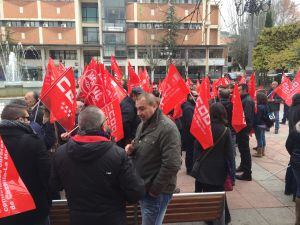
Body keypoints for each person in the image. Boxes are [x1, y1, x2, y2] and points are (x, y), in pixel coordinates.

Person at [50, 106, 145, 225]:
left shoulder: (61, 153)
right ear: (103, 126)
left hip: (79, 219)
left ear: (79, 126)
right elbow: (136, 192)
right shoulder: (118, 154)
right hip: (112, 218)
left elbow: (54, 185)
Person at [125, 93, 181, 225]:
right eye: (137, 109)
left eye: (142, 108)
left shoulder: (167, 128)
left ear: (154, 106)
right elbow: (140, 145)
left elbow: (172, 164)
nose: (138, 113)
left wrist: (154, 191)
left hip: (156, 192)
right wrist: (132, 149)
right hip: (144, 186)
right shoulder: (143, 124)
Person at [0, 103, 51, 225]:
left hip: (5, 208)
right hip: (34, 208)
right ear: (19, 119)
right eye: (27, 118)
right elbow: (46, 174)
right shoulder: (33, 141)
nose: (30, 121)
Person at [192, 103, 234, 225]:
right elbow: (230, 154)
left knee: (206, 195)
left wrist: (196, 164)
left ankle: (209, 218)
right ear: (223, 114)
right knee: (219, 195)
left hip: (203, 169)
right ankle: (224, 218)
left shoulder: (204, 129)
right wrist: (232, 174)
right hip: (219, 170)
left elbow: (196, 148)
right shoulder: (225, 130)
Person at [236, 84, 255, 181]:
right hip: (241, 129)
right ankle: (243, 166)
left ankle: (247, 173)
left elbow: (246, 117)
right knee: (242, 150)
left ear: (244, 90)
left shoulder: (247, 101)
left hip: (243, 129)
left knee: (245, 151)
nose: (237, 92)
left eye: (239, 90)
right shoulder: (244, 99)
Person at [286, 121, 300, 225]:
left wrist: (294, 155)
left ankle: (298, 220)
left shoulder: (295, 129)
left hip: (296, 161)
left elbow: (288, 145)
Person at [181, 92, 196, 175]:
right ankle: (190, 169)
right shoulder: (188, 108)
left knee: (191, 151)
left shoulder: (189, 106)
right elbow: (190, 123)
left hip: (189, 133)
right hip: (189, 134)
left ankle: (190, 167)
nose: (196, 98)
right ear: (190, 97)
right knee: (190, 151)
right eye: (195, 96)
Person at [252, 92, 268, 158]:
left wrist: (253, 123)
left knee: (259, 138)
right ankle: (263, 151)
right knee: (263, 137)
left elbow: (257, 118)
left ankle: (259, 153)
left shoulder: (259, 107)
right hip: (264, 124)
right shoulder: (266, 105)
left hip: (258, 124)